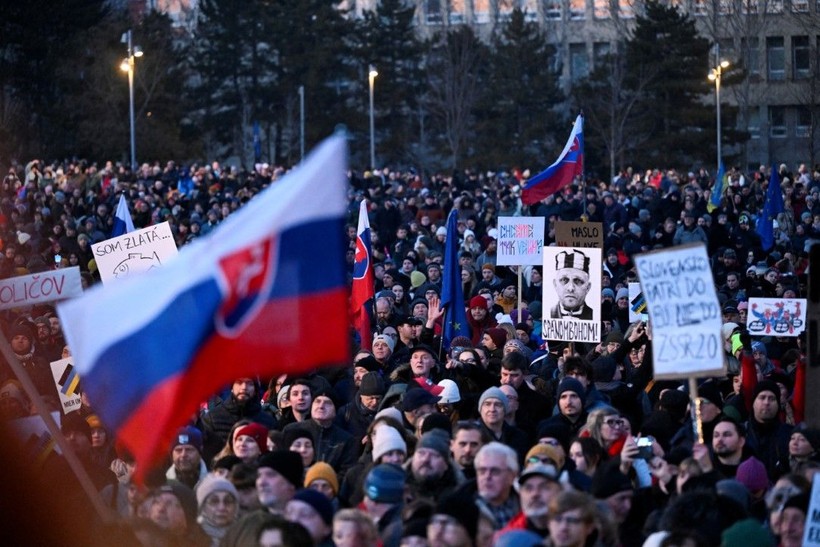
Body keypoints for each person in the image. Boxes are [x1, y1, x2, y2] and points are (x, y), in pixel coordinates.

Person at [199, 377, 275, 463]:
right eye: (239, 382)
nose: (244, 387)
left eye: (249, 384)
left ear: (255, 390)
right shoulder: (212, 418)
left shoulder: (267, 421)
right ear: (232, 387)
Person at [474, 442, 520, 530]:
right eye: (482, 471)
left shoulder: (525, 505)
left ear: (512, 476)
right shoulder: (464, 509)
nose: (487, 477)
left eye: (495, 471)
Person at [195, 474, 240, 546]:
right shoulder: (192, 536)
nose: (222, 508)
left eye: (228, 501)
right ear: (203, 507)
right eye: (214, 501)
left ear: (235, 507)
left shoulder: (246, 534)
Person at [255, 450, 304, 515]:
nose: (261, 482)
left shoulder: (312, 522)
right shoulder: (250, 523)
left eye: (270, 474)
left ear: (291, 483)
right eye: (259, 475)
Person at [549, 250, 594, 320]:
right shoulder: (547, 314)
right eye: (564, 280)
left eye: (578, 281)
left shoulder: (595, 317)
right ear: (555, 284)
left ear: (588, 287)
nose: (570, 288)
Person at [167, 426, 208, 490]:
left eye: (189, 450)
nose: (183, 455)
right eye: (179, 450)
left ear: (200, 451)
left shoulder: (214, 483)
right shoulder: (162, 485)